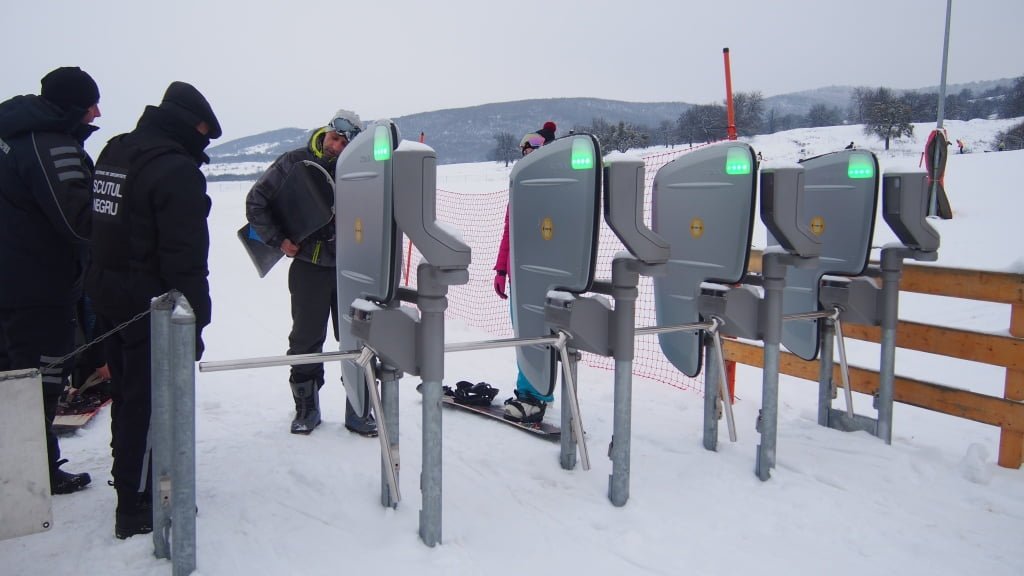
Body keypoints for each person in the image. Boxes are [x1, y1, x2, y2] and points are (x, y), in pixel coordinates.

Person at [86, 81, 220, 539]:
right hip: (151, 309)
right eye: (204, 132)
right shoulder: (176, 171)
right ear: (191, 124)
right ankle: (138, 503)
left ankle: (132, 482)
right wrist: (194, 324)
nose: (204, 142)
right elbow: (186, 260)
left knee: (128, 398)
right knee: (150, 404)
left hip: (109, 296)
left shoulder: (117, 150)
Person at [246, 109, 378, 437]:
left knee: (361, 338)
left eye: (345, 144)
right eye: (334, 139)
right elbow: (256, 202)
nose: (336, 147)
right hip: (309, 267)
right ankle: (306, 407)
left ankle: (360, 407)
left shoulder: (364, 170)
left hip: (354, 268)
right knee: (305, 339)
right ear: (325, 133)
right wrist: (279, 240)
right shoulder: (295, 162)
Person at [0, 66, 101, 495]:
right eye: (91, 104)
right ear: (72, 106)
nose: (97, 113)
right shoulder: (51, 145)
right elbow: (78, 221)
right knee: (38, 383)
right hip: (38, 287)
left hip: (13, 281)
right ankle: (36, 475)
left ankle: (19, 469)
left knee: (11, 379)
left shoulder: (12, 135)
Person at [493, 122, 556, 423]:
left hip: (546, 273)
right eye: (524, 150)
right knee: (524, 332)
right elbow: (511, 231)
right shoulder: (520, 186)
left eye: (532, 148)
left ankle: (534, 395)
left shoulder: (557, 185)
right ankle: (533, 390)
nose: (526, 153)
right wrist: (501, 269)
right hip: (520, 274)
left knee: (537, 333)